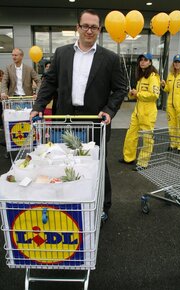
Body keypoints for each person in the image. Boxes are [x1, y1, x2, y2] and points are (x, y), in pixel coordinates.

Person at [30, 9, 127, 222]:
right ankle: (68, 202)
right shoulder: (62, 53)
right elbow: (50, 83)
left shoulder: (110, 59)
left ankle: (102, 205)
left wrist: (109, 111)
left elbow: (121, 89)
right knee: (63, 161)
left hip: (93, 122)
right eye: (85, 26)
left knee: (96, 165)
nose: (89, 30)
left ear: (99, 30)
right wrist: (39, 105)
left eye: (94, 27)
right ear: (78, 28)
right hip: (64, 119)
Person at [119, 53, 160, 170]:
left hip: (148, 113)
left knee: (147, 139)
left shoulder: (153, 77)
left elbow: (154, 95)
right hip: (137, 112)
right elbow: (137, 95)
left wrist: (138, 94)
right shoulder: (141, 77)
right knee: (130, 135)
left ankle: (143, 163)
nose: (142, 62)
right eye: (141, 60)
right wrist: (132, 94)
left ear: (150, 62)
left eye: (145, 60)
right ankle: (128, 158)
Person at [161, 54, 180, 153]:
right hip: (170, 105)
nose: (177, 64)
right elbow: (168, 89)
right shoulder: (170, 75)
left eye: (179, 62)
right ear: (173, 63)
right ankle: (173, 144)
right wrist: (163, 85)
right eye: (175, 62)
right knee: (172, 125)